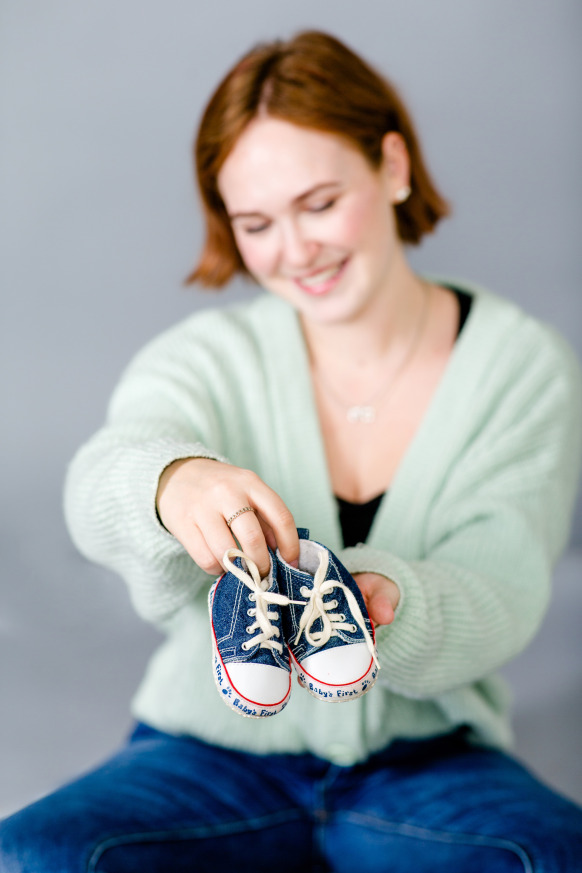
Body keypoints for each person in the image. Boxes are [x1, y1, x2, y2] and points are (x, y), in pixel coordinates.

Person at [1, 28, 581, 873]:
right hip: (211, 752)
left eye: (319, 203)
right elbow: (102, 472)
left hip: (426, 758)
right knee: (30, 856)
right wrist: (173, 483)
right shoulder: (205, 357)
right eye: (257, 223)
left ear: (391, 166)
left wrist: (394, 603)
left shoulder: (519, 363)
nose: (297, 250)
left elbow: (507, 582)